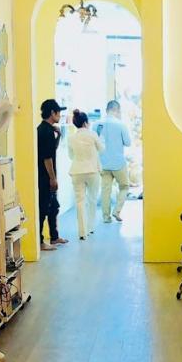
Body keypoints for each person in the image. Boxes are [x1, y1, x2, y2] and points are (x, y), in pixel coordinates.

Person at [37, 98, 68, 251]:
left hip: (46, 175)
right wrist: (53, 178)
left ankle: (54, 237)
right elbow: (47, 158)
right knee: (43, 208)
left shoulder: (46, 130)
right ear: (52, 113)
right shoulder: (46, 131)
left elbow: (51, 150)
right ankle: (40, 242)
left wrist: (59, 136)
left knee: (53, 207)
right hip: (45, 177)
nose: (60, 115)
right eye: (58, 113)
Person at [68, 109, 104, 240]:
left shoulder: (71, 138)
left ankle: (82, 232)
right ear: (85, 123)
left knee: (79, 201)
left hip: (77, 171)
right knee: (92, 200)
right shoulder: (93, 134)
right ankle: (90, 227)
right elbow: (102, 149)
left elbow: (71, 156)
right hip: (92, 170)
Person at [98, 100, 131, 223]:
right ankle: (116, 211)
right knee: (124, 186)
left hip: (103, 163)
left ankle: (106, 217)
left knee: (105, 190)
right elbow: (128, 142)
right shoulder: (121, 125)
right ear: (117, 110)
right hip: (118, 163)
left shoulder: (97, 124)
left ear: (106, 110)